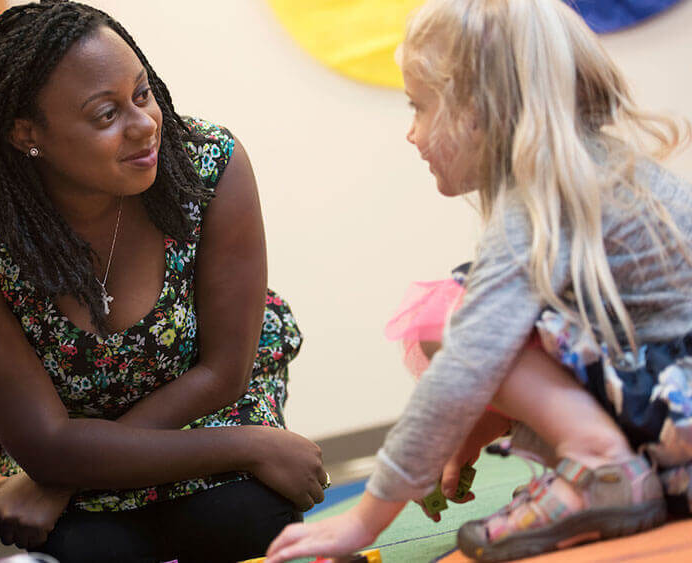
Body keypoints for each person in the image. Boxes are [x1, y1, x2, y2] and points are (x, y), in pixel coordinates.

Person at [266, 0, 692, 561]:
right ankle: (604, 469)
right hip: (675, 412)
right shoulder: (604, 171)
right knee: (480, 306)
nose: (412, 133)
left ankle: (598, 464)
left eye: (418, 107)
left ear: (475, 111)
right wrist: (469, 433)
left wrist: (364, 520)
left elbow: (467, 365)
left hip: (676, 416)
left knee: (445, 313)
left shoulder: (539, 208)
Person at [0, 1, 323, 561]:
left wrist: (61, 477)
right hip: (86, 455)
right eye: (105, 115)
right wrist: (254, 447)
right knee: (89, 554)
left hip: (207, 416)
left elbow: (222, 373)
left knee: (242, 521)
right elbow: (49, 443)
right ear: (26, 133)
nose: (144, 126)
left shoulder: (207, 164)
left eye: (142, 94)